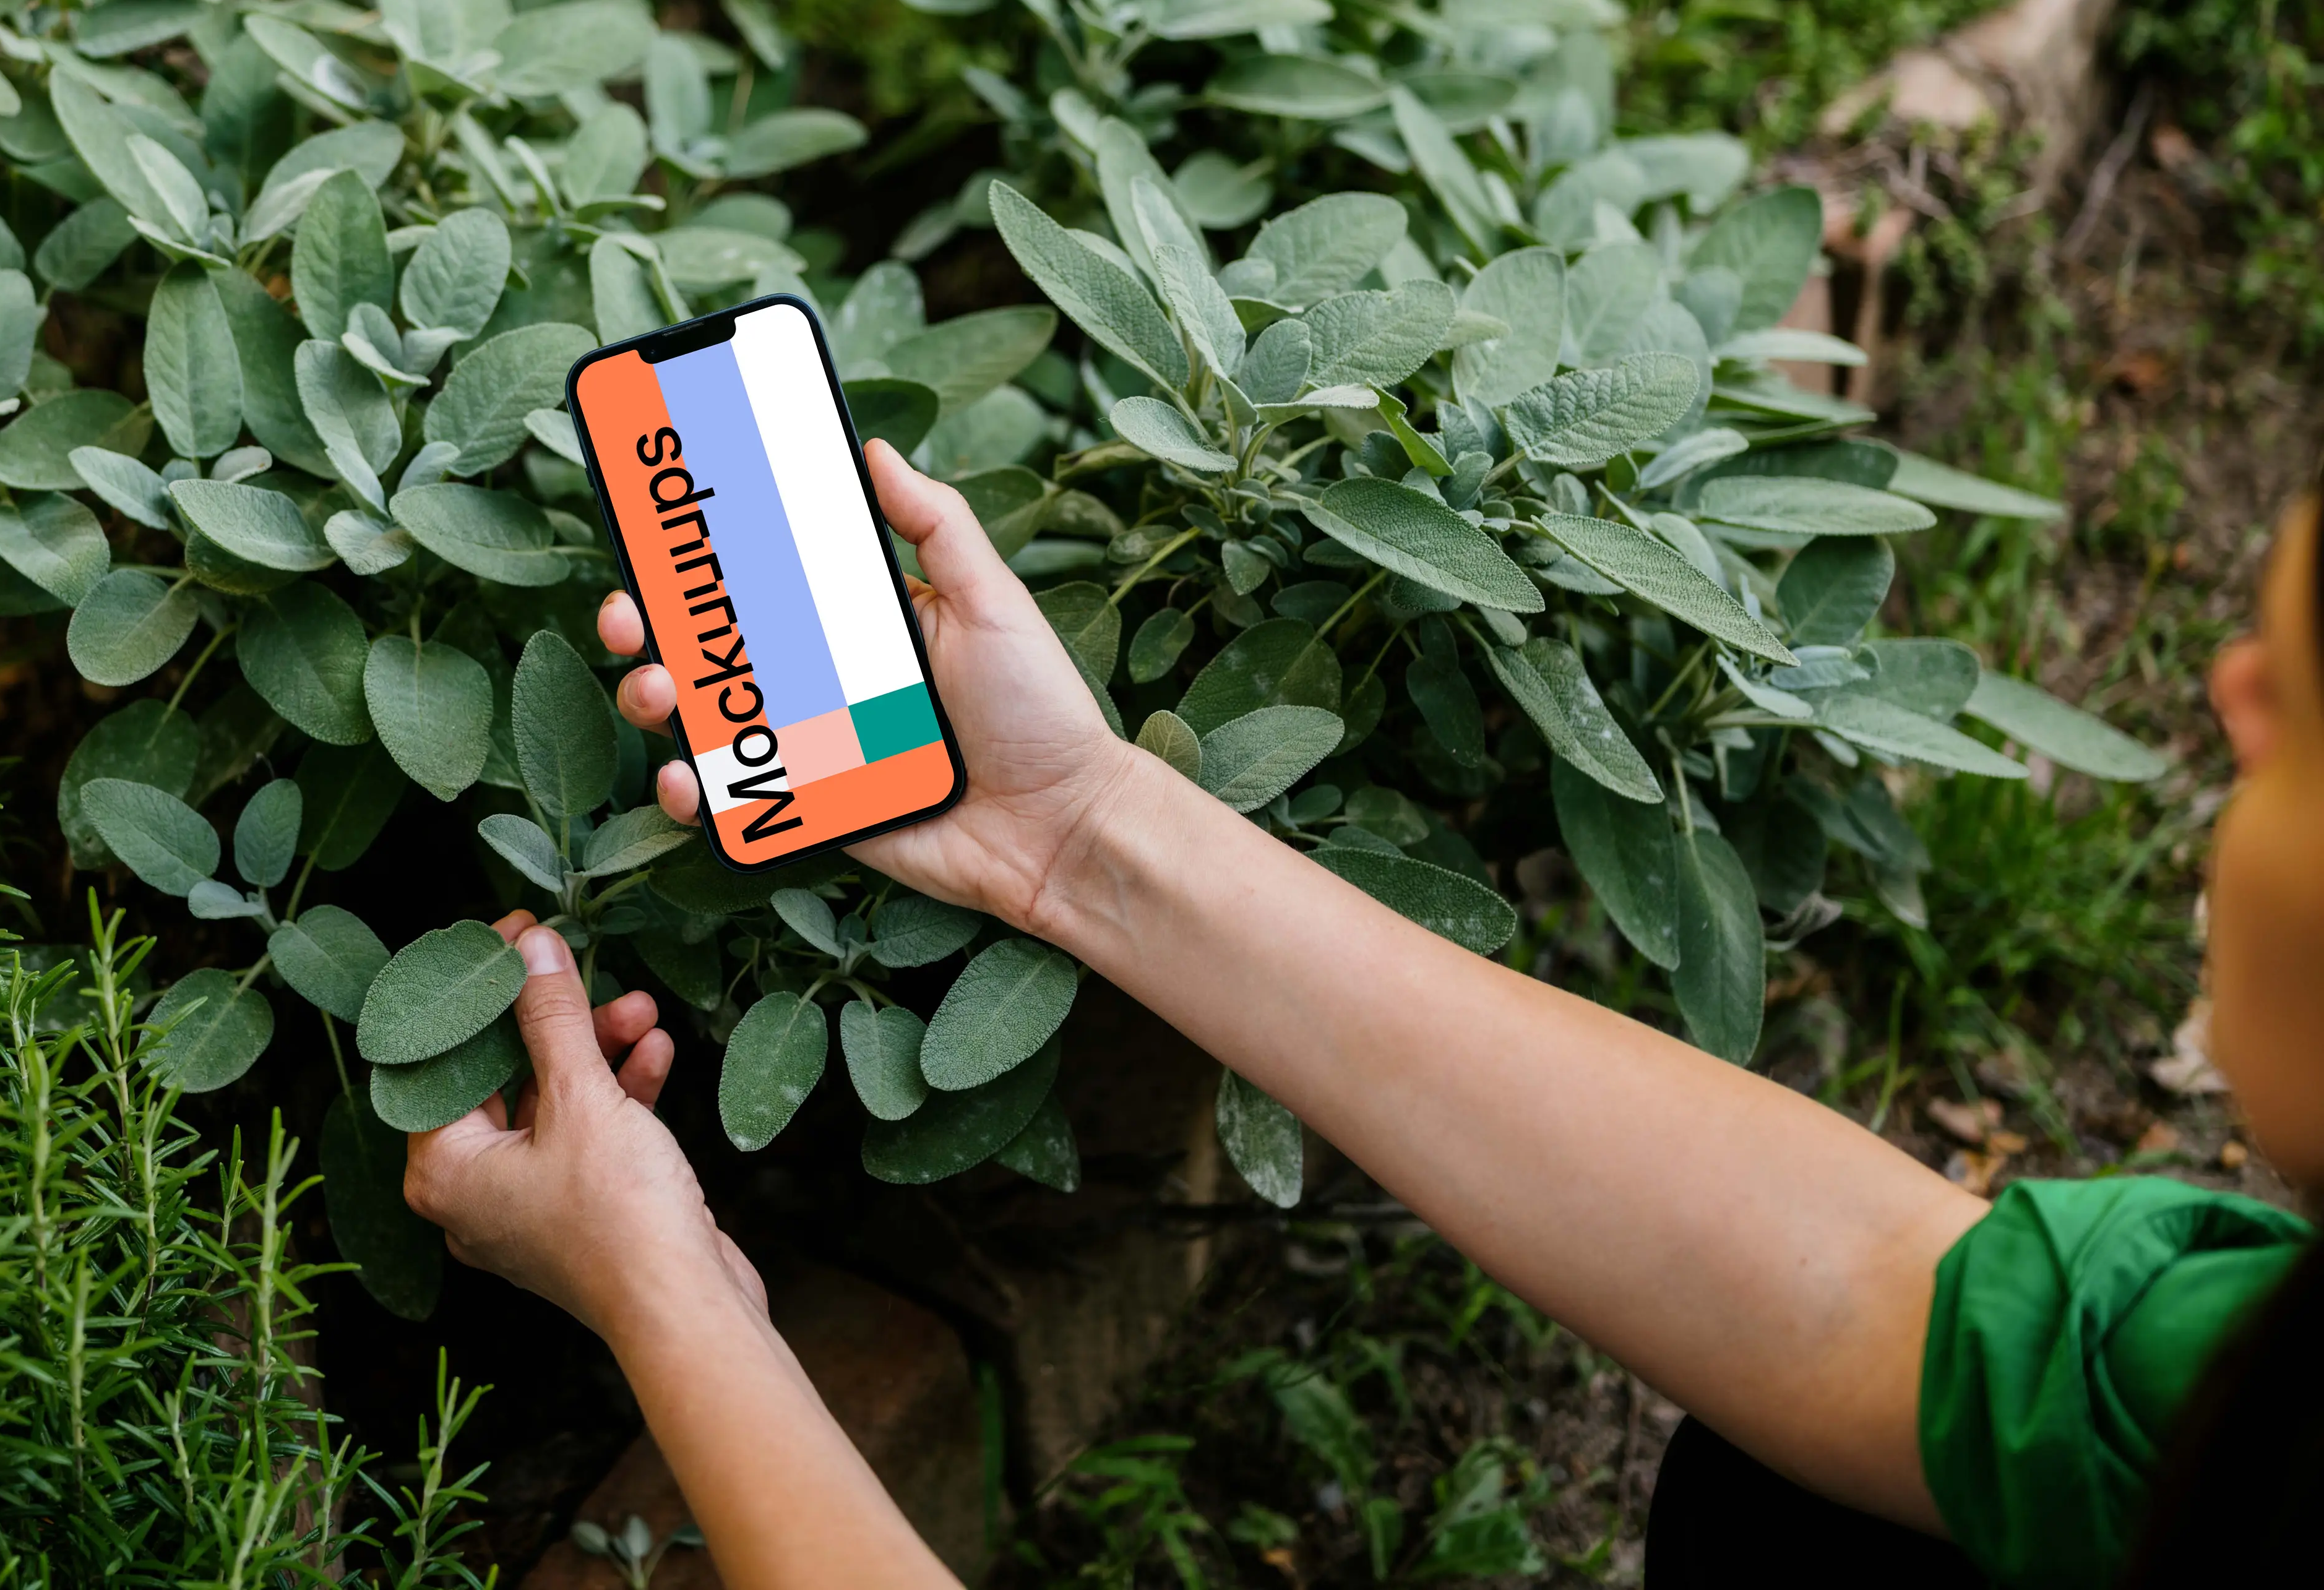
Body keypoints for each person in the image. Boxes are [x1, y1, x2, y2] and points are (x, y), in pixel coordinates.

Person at [403, 442, 2318, 1589]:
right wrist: (1085, 832)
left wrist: (671, 1296)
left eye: (2304, 708)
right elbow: (1872, 1304)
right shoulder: (2237, 1349)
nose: (2229, 690)